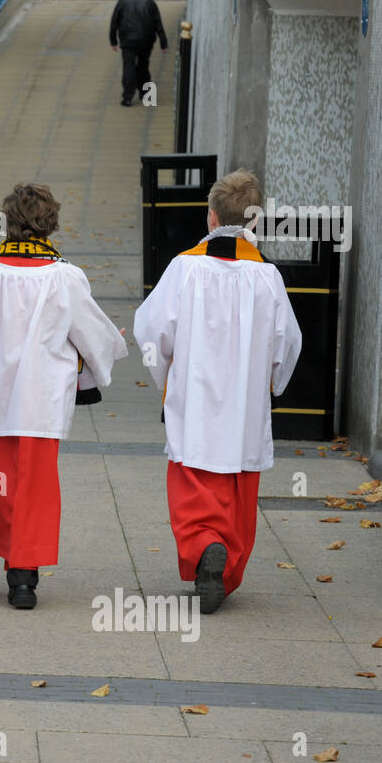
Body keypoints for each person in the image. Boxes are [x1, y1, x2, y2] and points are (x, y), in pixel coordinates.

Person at [0, 183, 127, 609]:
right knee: (34, 489)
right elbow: (91, 333)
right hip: (41, 402)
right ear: (51, 224)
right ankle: (22, 577)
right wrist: (108, 349)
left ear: (6, 223)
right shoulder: (66, 277)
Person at [133, 169, 303, 613]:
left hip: (195, 397)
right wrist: (273, 383)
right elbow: (288, 342)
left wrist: (164, 377)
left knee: (194, 482)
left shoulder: (184, 268)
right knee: (238, 487)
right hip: (245, 405)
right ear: (254, 223)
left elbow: (151, 330)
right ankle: (224, 564)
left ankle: (204, 546)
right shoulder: (267, 277)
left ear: (211, 219)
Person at [108, 0, 168, 107]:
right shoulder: (150, 3)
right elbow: (158, 23)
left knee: (128, 67)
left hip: (128, 40)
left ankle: (127, 97)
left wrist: (113, 41)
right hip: (146, 41)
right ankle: (146, 96)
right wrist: (163, 42)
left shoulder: (123, 1)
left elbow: (114, 22)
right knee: (143, 66)